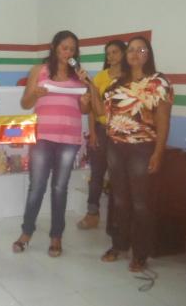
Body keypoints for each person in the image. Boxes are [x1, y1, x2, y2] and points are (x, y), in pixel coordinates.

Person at [12, 30, 92, 257]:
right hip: (43, 137)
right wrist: (36, 93)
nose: (68, 52)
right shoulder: (39, 71)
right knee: (37, 186)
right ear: (55, 47)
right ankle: (27, 233)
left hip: (69, 138)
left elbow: (84, 109)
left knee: (59, 188)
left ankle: (56, 236)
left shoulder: (79, 76)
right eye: (64, 47)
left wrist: (86, 99)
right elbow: (25, 103)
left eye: (72, 49)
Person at [97, 36, 173, 272]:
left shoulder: (158, 82)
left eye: (141, 49)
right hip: (115, 147)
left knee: (141, 203)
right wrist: (89, 93)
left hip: (142, 148)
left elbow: (163, 120)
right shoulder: (117, 83)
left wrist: (158, 153)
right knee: (119, 200)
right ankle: (119, 245)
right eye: (131, 49)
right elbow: (102, 112)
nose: (134, 53)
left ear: (148, 54)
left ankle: (140, 253)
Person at [77, 40, 127, 230]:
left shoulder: (129, 78)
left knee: (118, 176)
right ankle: (92, 213)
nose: (111, 56)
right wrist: (93, 134)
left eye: (115, 52)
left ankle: (117, 218)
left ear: (123, 54)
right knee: (97, 173)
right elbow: (90, 109)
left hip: (122, 133)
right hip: (101, 130)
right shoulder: (99, 78)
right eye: (108, 53)